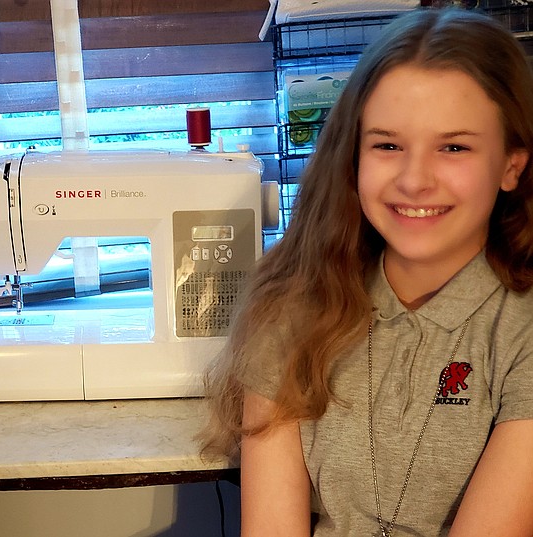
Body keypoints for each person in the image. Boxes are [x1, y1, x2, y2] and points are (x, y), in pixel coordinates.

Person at [200, 6, 533, 537]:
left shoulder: (519, 330)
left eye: (454, 147)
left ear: (511, 165)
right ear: (352, 156)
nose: (415, 179)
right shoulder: (289, 310)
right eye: (388, 145)